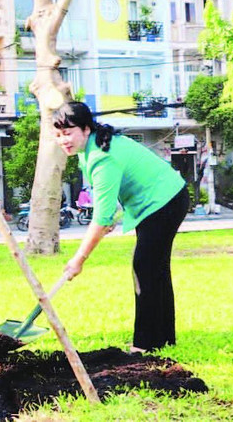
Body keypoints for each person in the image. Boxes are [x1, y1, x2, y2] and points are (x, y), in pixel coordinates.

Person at [53, 101, 188, 353]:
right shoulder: (90, 150)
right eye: (58, 134)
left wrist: (78, 259)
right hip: (163, 200)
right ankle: (162, 339)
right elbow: (108, 206)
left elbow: (101, 218)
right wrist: (111, 217)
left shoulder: (102, 157)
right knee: (155, 270)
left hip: (164, 201)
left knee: (145, 269)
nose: (63, 140)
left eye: (68, 132)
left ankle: (145, 344)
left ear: (85, 129)